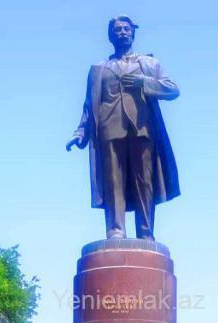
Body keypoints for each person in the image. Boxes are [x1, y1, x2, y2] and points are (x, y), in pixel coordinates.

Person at [66, 14, 180, 240]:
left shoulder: (149, 64)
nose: (122, 32)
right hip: (109, 129)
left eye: (126, 29)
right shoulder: (99, 69)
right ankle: (116, 229)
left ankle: (146, 232)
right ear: (110, 36)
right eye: (117, 29)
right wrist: (80, 132)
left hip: (142, 128)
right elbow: (89, 105)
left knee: (144, 181)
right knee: (113, 182)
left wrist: (144, 83)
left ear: (133, 33)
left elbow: (172, 89)